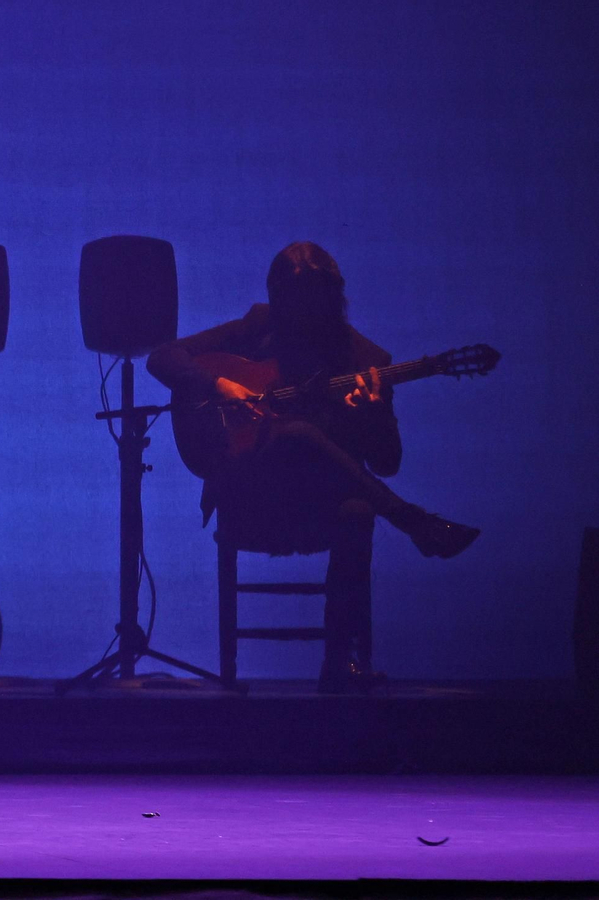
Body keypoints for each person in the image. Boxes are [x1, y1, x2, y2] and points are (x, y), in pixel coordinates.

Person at [147, 241, 479, 693]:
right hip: (254, 493)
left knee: (353, 503)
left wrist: (372, 414)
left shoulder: (365, 359)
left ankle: (339, 663)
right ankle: (413, 520)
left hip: (320, 501)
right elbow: (163, 357)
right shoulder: (257, 327)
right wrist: (218, 383)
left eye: (312, 303)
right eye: (291, 303)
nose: (300, 315)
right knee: (296, 433)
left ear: (332, 300)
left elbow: (387, 462)